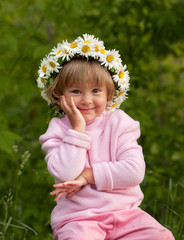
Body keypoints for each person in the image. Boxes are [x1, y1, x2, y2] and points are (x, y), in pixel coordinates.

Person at [38, 34, 174, 240]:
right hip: (78, 219)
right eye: (76, 91)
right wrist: (77, 129)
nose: (86, 100)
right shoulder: (57, 130)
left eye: (95, 91)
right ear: (59, 95)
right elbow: (65, 174)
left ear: (109, 94)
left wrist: (87, 177)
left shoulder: (120, 123)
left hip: (126, 215)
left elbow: (134, 171)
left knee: (161, 236)